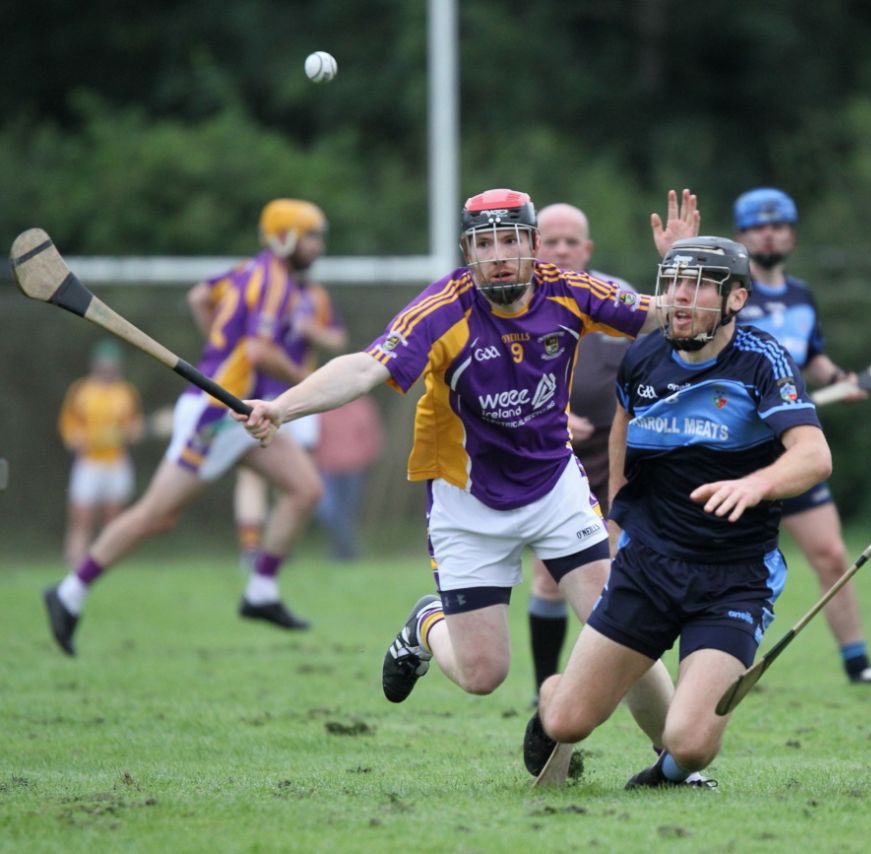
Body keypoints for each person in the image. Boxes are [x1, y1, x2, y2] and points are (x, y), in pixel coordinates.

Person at [239, 188, 701, 759]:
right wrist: (283, 406)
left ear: (532, 245)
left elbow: (667, 319)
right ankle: (427, 623)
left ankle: (675, 761)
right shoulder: (444, 308)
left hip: (555, 485)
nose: (499, 255)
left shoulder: (570, 289)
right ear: (468, 251)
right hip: (467, 498)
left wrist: (682, 267)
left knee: (623, 632)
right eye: (485, 244)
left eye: (510, 240)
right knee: (484, 674)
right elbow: (365, 366)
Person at [525, 236, 832, 788]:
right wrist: (616, 512)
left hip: (734, 579)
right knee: (566, 719)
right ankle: (553, 693)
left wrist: (756, 485)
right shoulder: (642, 355)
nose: (678, 299)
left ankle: (667, 775)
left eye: (696, 288)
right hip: (647, 569)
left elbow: (814, 455)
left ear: (735, 300)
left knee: (689, 746)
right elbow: (623, 423)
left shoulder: (761, 361)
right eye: (670, 285)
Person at [41, 199, 329, 656]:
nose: (318, 245)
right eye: (311, 235)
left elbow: (200, 295)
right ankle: (69, 592)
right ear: (286, 237)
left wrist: (218, 348)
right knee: (157, 514)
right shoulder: (276, 283)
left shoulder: (246, 269)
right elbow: (257, 351)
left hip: (238, 411)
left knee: (305, 488)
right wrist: (308, 381)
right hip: (215, 416)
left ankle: (261, 592)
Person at [731, 187, 871, 685]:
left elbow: (811, 357)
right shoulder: (730, 292)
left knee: (831, 554)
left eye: (778, 225)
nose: (769, 233)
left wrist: (837, 378)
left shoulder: (801, 295)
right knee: (728, 562)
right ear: (741, 236)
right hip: (735, 449)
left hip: (792, 449)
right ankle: (722, 666)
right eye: (758, 227)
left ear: (792, 234)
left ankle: (858, 664)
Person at [525, 202, 633, 696]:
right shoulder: (512, 304)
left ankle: (603, 681)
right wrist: (548, 415)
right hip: (547, 460)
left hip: (617, 462)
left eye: (573, 241)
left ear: (587, 249)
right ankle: (545, 685)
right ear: (533, 247)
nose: (562, 249)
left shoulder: (619, 299)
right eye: (552, 240)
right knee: (548, 578)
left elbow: (657, 367)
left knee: (610, 581)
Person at [189, 263, 348, 569]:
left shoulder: (315, 296)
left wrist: (312, 330)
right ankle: (252, 549)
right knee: (254, 474)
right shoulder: (261, 288)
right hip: (260, 391)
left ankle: (276, 547)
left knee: (296, 480)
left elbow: (338, 340)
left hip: (304, 396)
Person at [58, 340, 144, 566]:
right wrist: (75, 438)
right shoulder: (81, 390)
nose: (108, 368)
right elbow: (68, 425)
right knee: (81, 518)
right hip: (88, 463)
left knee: (113, 518)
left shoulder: (125, 392)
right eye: (104, 364)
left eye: (112, 364)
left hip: (116, 462)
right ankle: (75, 561)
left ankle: (104, 562)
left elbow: (134, 426)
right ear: (95, 365)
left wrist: (132, 432)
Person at [312, 396, 384, 561]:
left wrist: (368, 457)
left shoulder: (363, 407)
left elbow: (371, 436)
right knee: (328, 510)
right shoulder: (322, 409)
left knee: (346, 511)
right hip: (327, 469)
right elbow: (315, 438)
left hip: (355, 469)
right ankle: (349, 550)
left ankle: (340, 552)